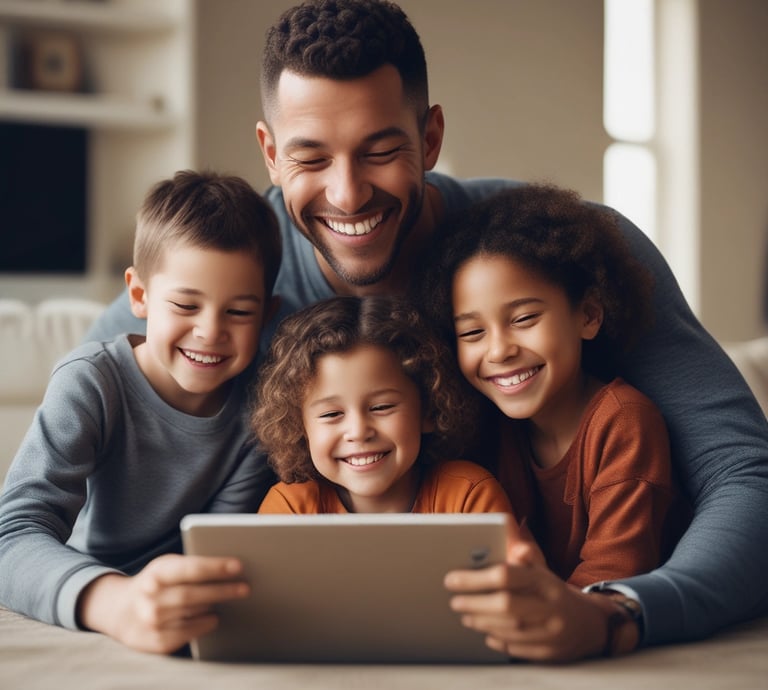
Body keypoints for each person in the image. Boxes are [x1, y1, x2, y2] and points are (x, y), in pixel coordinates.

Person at [83, 0, 768, 662]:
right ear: (268, 151)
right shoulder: (219, 274)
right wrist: (114, 600)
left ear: (431, 137)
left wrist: (619, 612)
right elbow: (59, 460)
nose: (347, 194)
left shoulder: (567, 253)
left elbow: (745, 473)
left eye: (380, 150)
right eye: (311, 158)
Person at [0, 170, 281, 654]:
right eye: (185, 305)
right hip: (99, 591)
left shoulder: (262, 405)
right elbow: (14, 535)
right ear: (139, 296)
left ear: (268, 314)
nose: (210, 332)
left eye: (238, 312)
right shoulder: (91, 381)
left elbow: (216, 545)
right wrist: (116, 603)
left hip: (185, 609)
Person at [418, 183, 689, 594]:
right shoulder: (485, 427)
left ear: (589, 315)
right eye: (472, 331)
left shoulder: (624, 422)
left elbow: (613, 577)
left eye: (524, 319)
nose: (499, 350)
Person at [254, 294, 515, 516]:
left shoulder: (468, 497)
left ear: (427, 409)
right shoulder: (290, 510)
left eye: (381, 407)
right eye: (332, 413)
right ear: (301, 427)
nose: (358, 431)